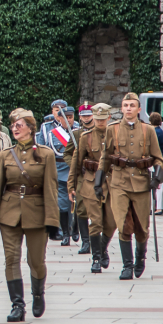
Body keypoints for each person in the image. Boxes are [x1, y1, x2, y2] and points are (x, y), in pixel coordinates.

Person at [0, 109, 60, 321]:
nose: (15, 128)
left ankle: (38, 293)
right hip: (9, 214)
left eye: (20, 124)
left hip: (36, 214)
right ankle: (17, 304)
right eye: (14, 124)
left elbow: (51, 190)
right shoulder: (5, 155)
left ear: (31, 128)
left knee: (36, 261)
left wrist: (53, 221)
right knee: (11, 259)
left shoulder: (46, 154)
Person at [100, 92, 163, 280]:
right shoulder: (112, 129)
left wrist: (157, 178)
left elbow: (159, 159)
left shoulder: (148, 130)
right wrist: (98, 182)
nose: (128, 108)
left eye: (131, 105)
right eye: (125, 105)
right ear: (121, 108)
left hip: (142, 182)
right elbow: (105, 158)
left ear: (139, 109)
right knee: (123, 224)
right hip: (118, 182)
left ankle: (140, 258)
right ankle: (127, 265)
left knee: (142, 227)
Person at [70, 103, 117, 273]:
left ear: (108, 118)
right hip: (90, 183)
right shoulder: (86, 137)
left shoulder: (116, 135)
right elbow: (76, 162)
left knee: (111, 223)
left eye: (102, 118)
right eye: (97, 118)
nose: (99, 121)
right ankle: (96, 258)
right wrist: (71, 186)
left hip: (111, 183)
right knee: (95, 222)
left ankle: (103, 248)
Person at [37, 99, 75, 246]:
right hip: (57, 168)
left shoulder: (76, 127)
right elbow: (42, 147)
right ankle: (64, 231)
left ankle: (75, 229)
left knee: (78, 202)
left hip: (72, 168)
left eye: (63, 109)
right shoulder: (47, 127)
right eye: (56, 109)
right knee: (62, 201)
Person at [65, 103, 95, 254]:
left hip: (98, 175)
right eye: (83, 116)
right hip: (82, 176)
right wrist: (76, 164)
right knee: (81, 209)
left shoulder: (102, 132)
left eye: (89, 115)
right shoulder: (76, 134)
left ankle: (98, 240)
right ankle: (86, 242)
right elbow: (67, 153)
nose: (86, 118)